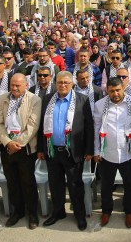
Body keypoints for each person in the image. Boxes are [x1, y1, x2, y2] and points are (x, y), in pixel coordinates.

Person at [37, 71, 94, 231]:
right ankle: (58, 212)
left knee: (75, 185)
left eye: (66, 83)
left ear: (72, 84)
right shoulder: (47, 99)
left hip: (73, 151)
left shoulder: (82, 100)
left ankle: (79, 215)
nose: (62, 85)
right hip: (52, 150)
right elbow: (41, 125)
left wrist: (89, 149)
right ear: (55, 83)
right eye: (60, 82)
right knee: (55, 185)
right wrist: (41, 148)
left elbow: (89, 126)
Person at [93, 77, 131, 228]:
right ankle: (106, 211)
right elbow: (96, 129)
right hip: (107, 153)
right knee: (106, 185)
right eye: (112, 91)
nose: (115, 94)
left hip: (129, 153)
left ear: (123, 88)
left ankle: (129, 211)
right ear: (107, 91)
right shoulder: (100, 105)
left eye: (118, 90)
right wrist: (96, 150)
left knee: (129, 185)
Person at [0, 73, 42, 230]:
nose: (14, 88)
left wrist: (17, 143)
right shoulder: (2, 99)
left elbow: (32, 127)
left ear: (26, 85)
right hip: (7, 147)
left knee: (28, 182)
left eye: (18, 85)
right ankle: (18, 211)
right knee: (12, 182)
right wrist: (8, 143)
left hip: (24, 148)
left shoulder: (34, 100)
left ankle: (32, 213)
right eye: (12, 85)